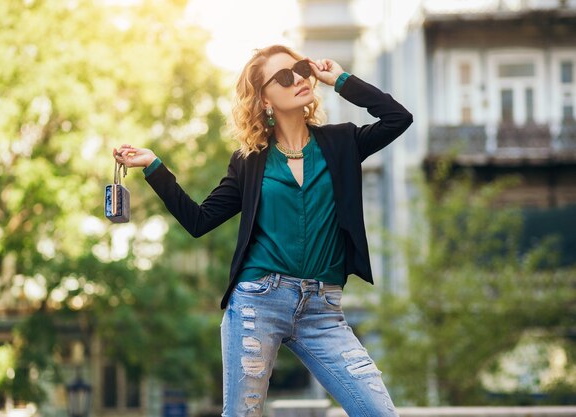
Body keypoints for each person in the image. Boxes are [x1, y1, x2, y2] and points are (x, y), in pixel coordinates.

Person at [113, 44, 412, 417]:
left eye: (302, 69)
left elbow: (398, 118)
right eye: (284, 77)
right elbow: (199, 221)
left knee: (379, 413)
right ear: (264, 99)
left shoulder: (341, 142)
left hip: (323, 309)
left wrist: (341, 80)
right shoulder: (250, 161)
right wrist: (154, 166)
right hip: (259, 302)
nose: (300, 78)